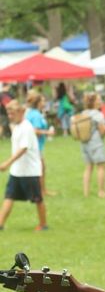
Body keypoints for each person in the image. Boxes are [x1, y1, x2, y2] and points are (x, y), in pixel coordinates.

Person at [0, 100, 47, 231]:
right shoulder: (17, 127)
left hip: (30, 171)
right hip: (17, 171)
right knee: (9, 196)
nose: (10, 116)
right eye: (8, 113)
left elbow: (23, 149)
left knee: (37, 199)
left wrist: (7, 163)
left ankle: (43, 224)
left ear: (21, 112)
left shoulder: (27, 127)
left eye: (12, 113)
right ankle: (0, 223)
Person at [25, 90, 56, 196]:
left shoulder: (32, 113)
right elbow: (35, 130)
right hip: (35, 146)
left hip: (33, 146)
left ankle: (41, 190)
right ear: (38, 103)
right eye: (43, 100)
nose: (45, 102)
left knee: (39, 168)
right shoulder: (36, 115)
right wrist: (48, 132)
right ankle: (41, 191)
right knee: (40, 168)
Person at [80, 92, 105, 198]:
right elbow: (102, 131)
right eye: (99, 99)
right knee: (101, 166)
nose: (101, 101)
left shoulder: (83, 113)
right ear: (93, 102)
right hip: (96, 143)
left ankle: (86, 192)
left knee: (88, 167)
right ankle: (101, 191)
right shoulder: (98, 114)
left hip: (84, 144)